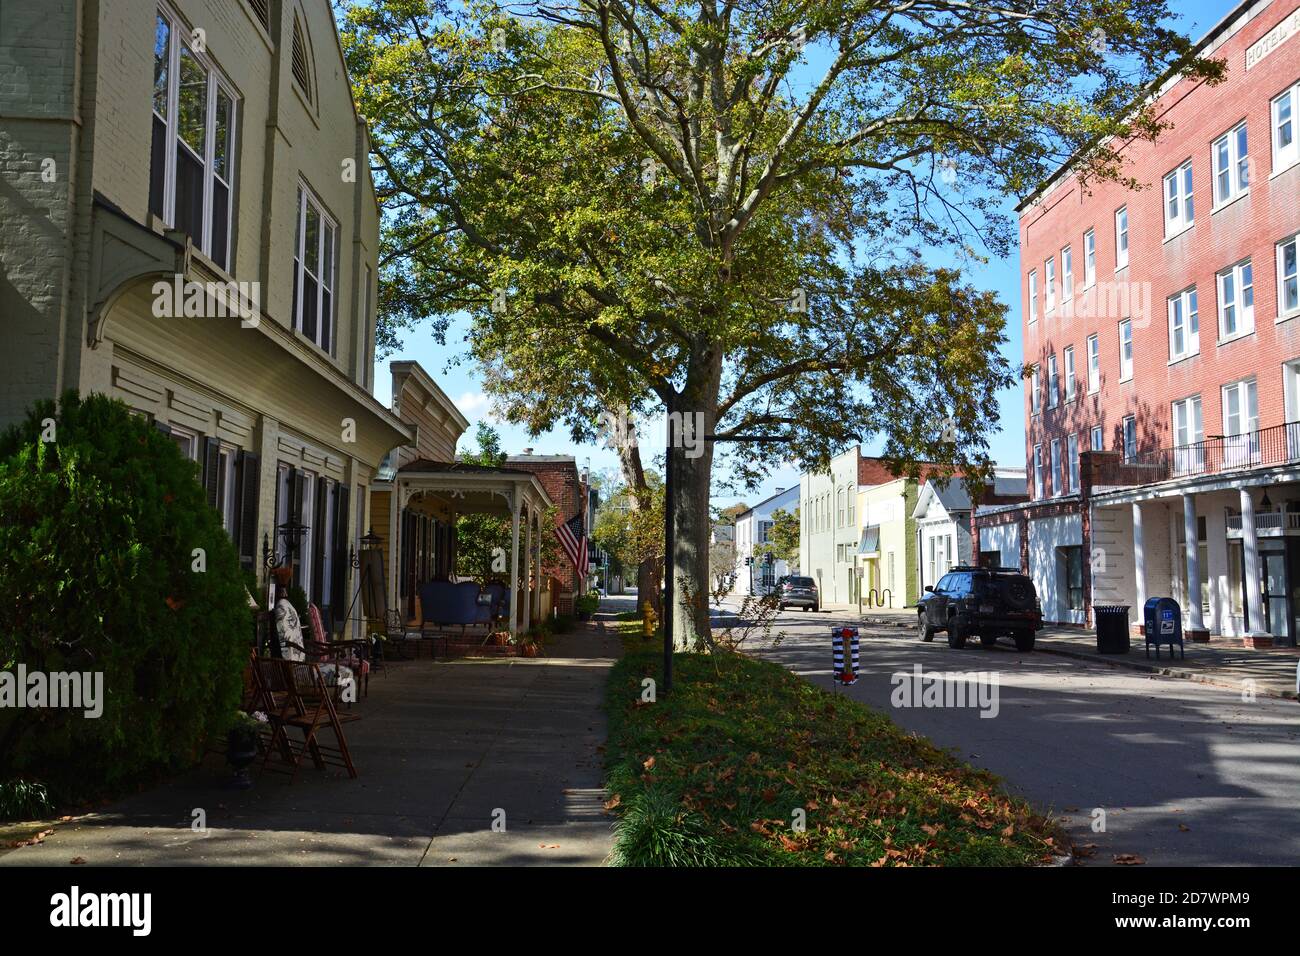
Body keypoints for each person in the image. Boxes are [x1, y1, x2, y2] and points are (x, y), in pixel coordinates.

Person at [271, 568, 355, 698]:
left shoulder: (287, 610)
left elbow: (300, 643)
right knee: (344, 672)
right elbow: (287, 645)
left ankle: (344, 700)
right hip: (295, 668)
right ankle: (334, 705)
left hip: (301, 663)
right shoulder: (283, 611)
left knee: (346, 672)